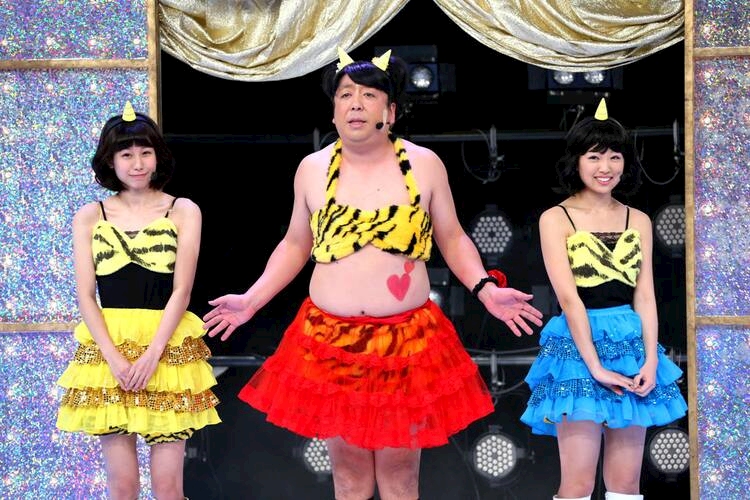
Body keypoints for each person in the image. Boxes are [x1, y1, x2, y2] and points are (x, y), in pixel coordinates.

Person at [201, 47, 544, 500]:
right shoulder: (312, 169)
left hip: (405, 340)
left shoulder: (424, 164)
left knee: (400, 476)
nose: (356, 104)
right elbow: (295, 245)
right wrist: (251, 299)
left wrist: (484, 288)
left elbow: (452, 237)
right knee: (349, 477)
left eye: (368, 95)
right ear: (334, 110)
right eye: (346, 95)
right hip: (330, 341)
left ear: (391, 111)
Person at [519, 98, 688, 500]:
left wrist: (650, 360)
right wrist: (594, 366)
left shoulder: (638, 219)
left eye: (614, 157)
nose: (605, 167)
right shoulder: (556, 218)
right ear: (576, 162)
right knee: (577, 484)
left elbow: (645, 296)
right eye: (594, 156)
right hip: (578, 349)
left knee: (626, 484)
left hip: (629, 344)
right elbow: (569, 299)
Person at [55, 101, 221, 500]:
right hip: (109, 351)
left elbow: (182, 290)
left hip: (167, 349)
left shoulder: (183, 210)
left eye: (145, 152)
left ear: (157, 156)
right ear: (110, 161)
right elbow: (85, 296)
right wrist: (114, 358)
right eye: (126, 155)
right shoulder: (89, 216)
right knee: (122, 486)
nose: (137, 163)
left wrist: (152, 355)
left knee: (168, 487)